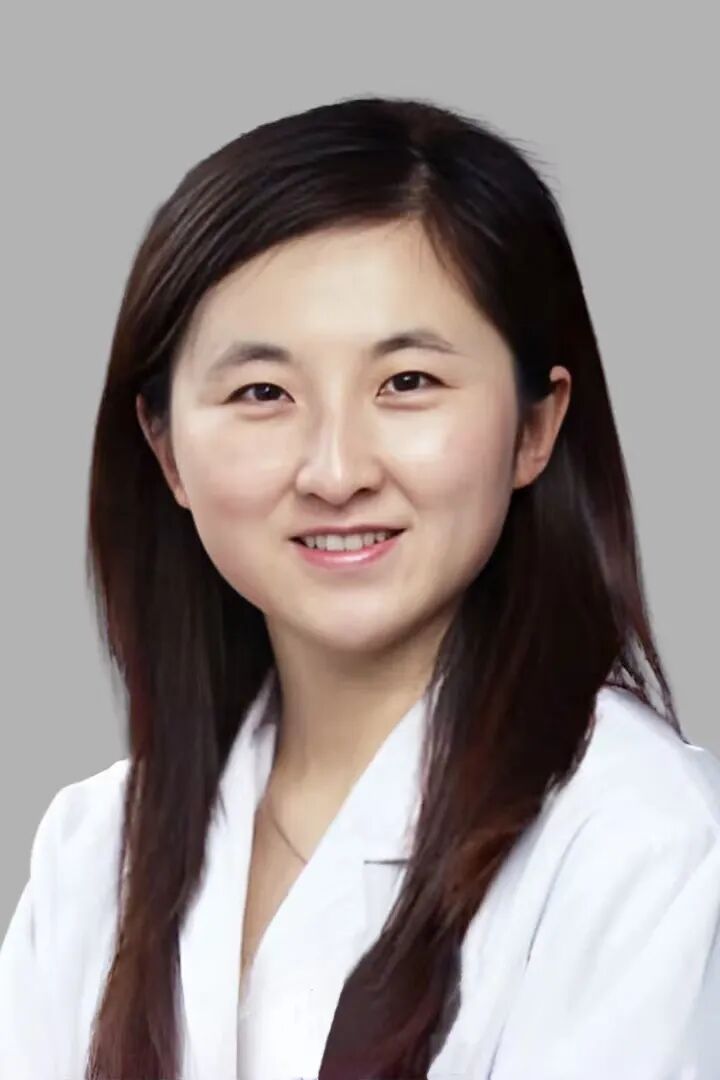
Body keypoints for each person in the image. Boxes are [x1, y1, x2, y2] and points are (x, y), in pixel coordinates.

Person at [1, 94, 719, 1080]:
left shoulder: (639, 841)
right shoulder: (93, 854)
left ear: (534, 426)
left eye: (407, 383)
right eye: (263, 393)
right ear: (166, 451)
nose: (336, 472)